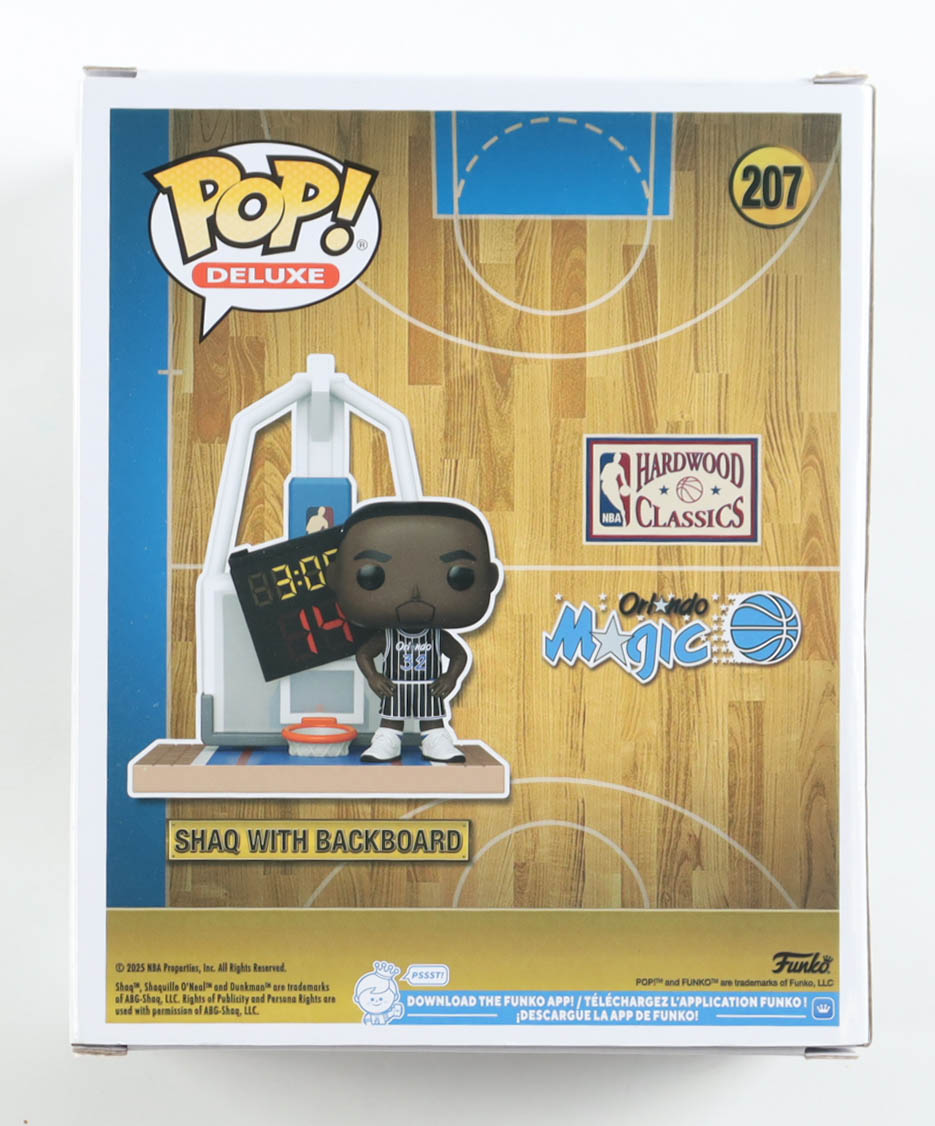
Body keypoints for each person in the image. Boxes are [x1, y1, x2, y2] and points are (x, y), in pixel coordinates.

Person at [327, 499, 502, 763]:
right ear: (336, 577)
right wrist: (374, 678)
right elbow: (364, 654)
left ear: (490, 579)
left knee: (432, 719)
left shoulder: (436, 636)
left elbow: (460, 655)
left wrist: (450, 678)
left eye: (459, 576)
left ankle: (435, 739)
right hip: (395, 686)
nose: (415, 593)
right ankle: (388, 738)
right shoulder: (387, 635)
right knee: (391, 719)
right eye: (371, 575)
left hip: (428, 687)